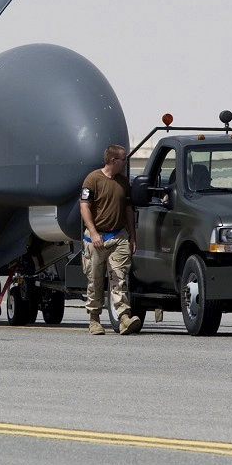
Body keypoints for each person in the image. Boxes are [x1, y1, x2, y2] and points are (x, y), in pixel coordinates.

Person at [79, 144, 140, 336]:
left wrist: (132, 235)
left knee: (119, 277)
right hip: (96, 238)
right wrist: (94, 232)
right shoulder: (92, 179)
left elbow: (129, 209)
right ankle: (94, 319)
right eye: (123, 159)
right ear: (113, 160)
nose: (125, 163)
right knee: (95, 280)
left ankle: (124, 317)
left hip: (118, 237)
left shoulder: (123, 182)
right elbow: (84, 207)